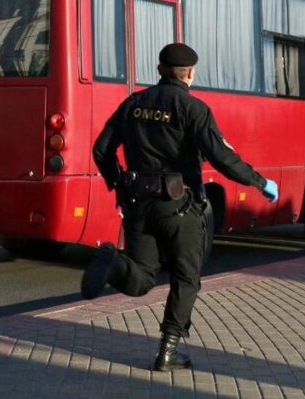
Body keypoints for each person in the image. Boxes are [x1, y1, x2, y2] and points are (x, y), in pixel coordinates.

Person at [86, 42, 278, 371]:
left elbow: (101, 149)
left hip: (137, 203)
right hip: (179, 206)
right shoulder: (193, 108)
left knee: (142, 278)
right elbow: (222, 157)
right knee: (187, 277)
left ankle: (113, 263)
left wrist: (117, 182)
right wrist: (260, 183)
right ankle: (168, 350)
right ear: (189, 73)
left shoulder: (133, 104)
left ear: (159, 69)